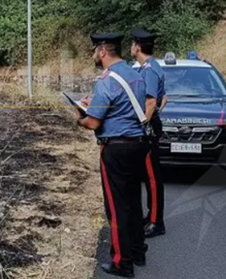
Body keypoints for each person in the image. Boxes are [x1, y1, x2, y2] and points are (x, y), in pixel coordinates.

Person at [75, 33, 149, 278]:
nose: (94, 55)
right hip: (138, 144)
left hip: (116, 148)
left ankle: (121, 262)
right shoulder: (135, 75)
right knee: (133, 202)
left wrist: (80, 116)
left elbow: (94, 122)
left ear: (103, 51)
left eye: (95, 50)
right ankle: (138, 251)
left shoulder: (106, 81)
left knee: (116, 207)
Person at [131, 28, 168, 238]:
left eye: (132, 44)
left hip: (149, 128)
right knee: (148, 176)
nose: (131, 47)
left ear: (137, 47)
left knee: (152, 177)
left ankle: (156, 222)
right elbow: (164, 98)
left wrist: (142, 124)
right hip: (150, 125)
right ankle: (151, 216)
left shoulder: (150, 70)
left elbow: (152, 101)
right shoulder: (147, 67)